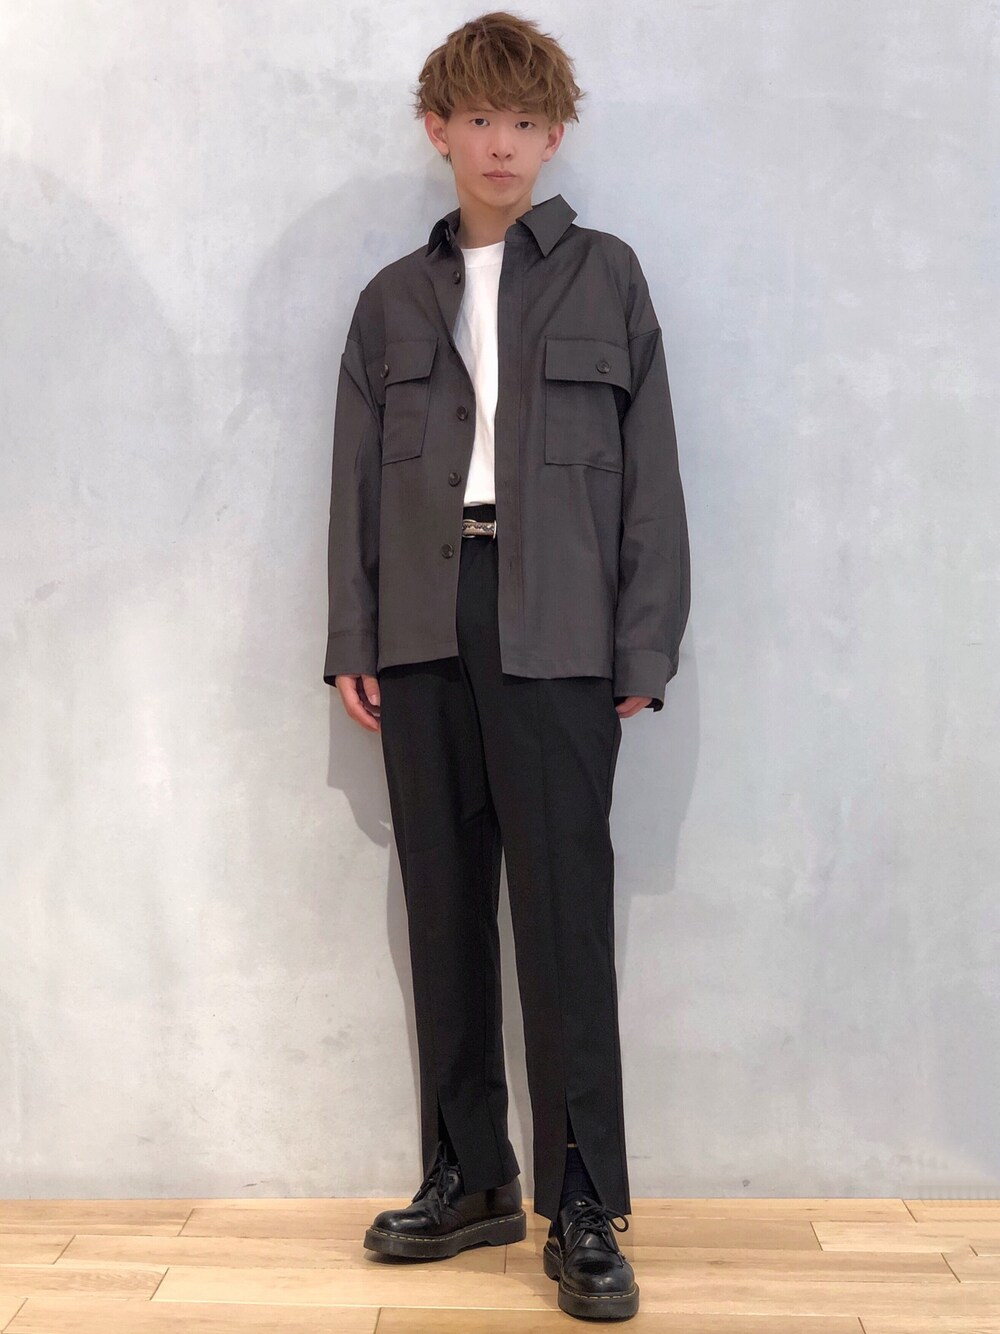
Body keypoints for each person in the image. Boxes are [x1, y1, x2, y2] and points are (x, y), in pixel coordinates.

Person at [324, 10, 690, 1322]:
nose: (500, 142)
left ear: (554, 134)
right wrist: (354, 636)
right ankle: (470, 1174)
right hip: (423, 623)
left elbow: (651, 478)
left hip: (559, 624)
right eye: (478, 118)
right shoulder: (391, 300)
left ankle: (584, 1200)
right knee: (442, 905)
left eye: (524, 121)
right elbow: (353, 483)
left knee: (562, 912)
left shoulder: (608, 277)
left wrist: (643, 641)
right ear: (439, 129)